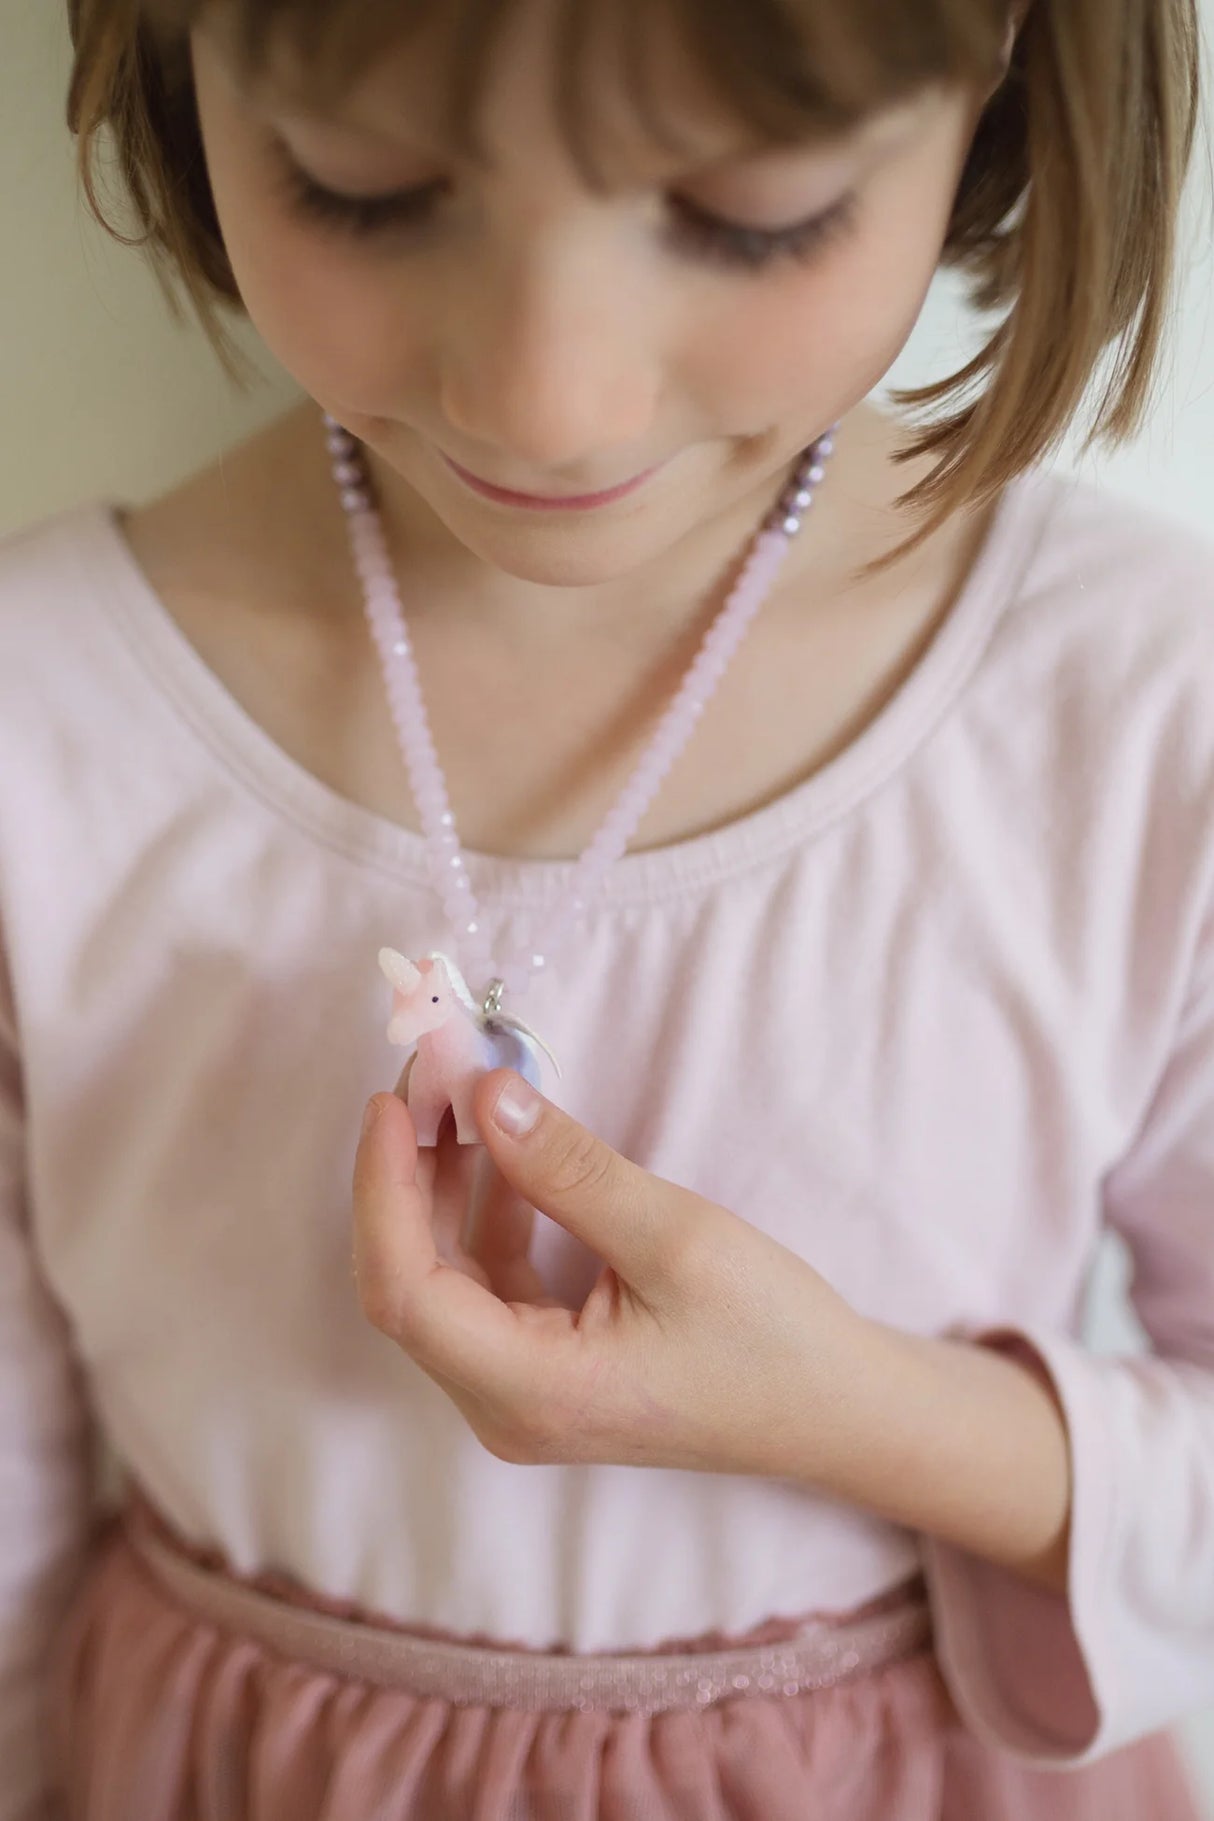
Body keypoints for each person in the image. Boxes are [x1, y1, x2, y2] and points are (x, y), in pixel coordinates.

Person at [2, 0, 1211, 1813]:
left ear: (1007, 79)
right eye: (364, 187)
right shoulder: (46, 716)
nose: (546, 399)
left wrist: (865, 1415)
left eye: (750, 211)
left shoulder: (1136, 715)